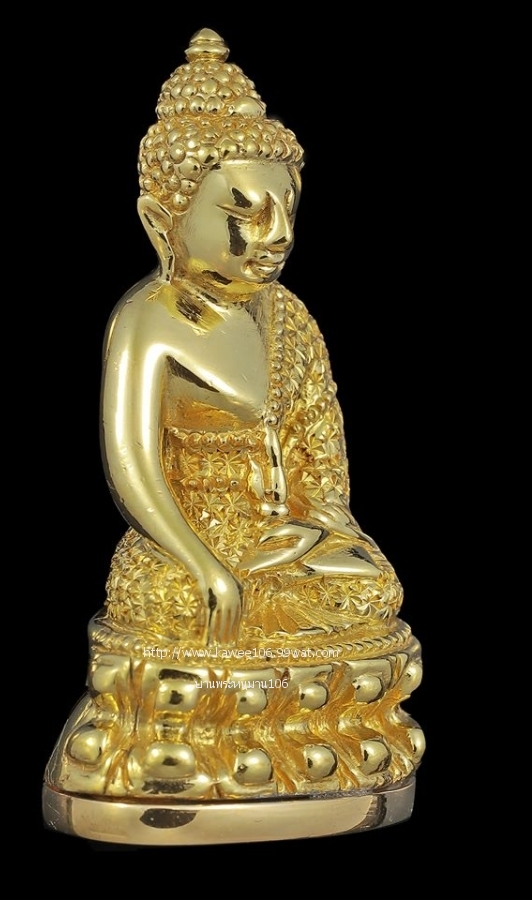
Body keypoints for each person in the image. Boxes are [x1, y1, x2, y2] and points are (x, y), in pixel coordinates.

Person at [101, 28, 403, 647]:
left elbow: (321, 454)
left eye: (289, 210)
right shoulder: (148, 320)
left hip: (280, 542)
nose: (280, 235)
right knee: (176, 608)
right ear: (161, 222)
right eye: (247, 215)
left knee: (373, 590)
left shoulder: (288, 315)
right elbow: (132, 466)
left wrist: (319, 528)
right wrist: (205, 565)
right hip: (181, 547)